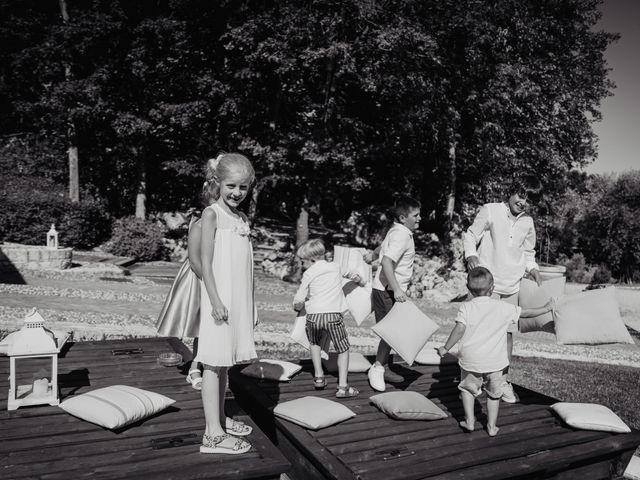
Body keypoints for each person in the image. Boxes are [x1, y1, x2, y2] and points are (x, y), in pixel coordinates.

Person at [436, 267, 553, 436]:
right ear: (492, 288)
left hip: (471, 361)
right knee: (494, 395)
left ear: (468, 289)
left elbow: (459, 329)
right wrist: (546, 308)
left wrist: (445, 348)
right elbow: (525, 314)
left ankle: (469, 421)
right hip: (495, 363)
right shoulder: (502, 307)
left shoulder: (466, 308)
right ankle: (491, 426)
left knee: (468, 390)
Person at [194, 153, 258, 455]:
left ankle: (219, 418)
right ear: (218, 182)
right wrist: (216, 300)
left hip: (237, 303)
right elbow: (204, 263)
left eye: (243, 187)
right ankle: (212, 435)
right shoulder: (212, 214)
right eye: (231, 186)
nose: (237, 193)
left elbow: (246, 269)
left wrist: (252, 307)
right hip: (218, 302)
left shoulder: (242, 219)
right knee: (213, 363)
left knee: (224, 365)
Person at [462, 176, 543, 403]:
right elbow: (471, 235)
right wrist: (471, 255)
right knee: (477, 331)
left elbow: (528, 252)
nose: (523, 202)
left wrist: (533, 269)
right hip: (487, 284)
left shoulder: (528, 222)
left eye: (529, 200)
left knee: (506, 335)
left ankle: (502, 381)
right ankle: (471, 378)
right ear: (512, 191)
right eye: (521, 195)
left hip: (512, 286)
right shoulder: (490, 210)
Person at [292, 239, 362, 398]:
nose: (302, 265)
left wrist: (297, 307)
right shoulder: (335, 266)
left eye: (303, 261)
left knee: (314, 344)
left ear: (312, 259)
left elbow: (299, 298)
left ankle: (319, 377)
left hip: (314, 317)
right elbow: (352, 274)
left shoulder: (309, 273)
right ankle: (343, 387)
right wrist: (360, 280)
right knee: (343, 349)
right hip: (333, 316)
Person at [367, 195, 422, 392]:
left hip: (386, 290)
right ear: (402, 217)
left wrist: (371, 254)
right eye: (415, 215)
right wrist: (397, 289)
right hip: (388, 291)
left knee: (393, 331)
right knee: (390, 332)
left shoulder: (397, 231)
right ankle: (378, 368)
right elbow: (387, 261)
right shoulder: (401, 234)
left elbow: (383, 249)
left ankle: (385, 366)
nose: (419, 219)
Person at [156, 216, 203, 390]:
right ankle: (195, 369)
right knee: (202, 328)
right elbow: (194, 257)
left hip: (221, 276)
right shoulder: (200, 222)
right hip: (200, 276)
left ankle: (208, 368)